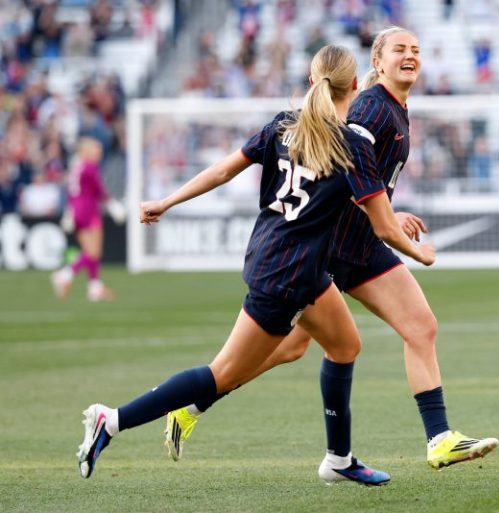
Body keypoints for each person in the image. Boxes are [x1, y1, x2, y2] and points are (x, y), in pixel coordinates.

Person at [76, 44, 435, 486]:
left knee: (344, 346)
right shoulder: (353, 145)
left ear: (311, 81)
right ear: (356, 85)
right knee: (220, 374)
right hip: (287, 278)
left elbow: (225, 170)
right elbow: (382, 226)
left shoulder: (283, 126)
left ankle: (339, 460)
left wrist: (167, 201)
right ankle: (111, 420)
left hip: (285, 262)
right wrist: (421, 254)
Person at [166, 27, 498, 471]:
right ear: (375, 63)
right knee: (289, 348)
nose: (410, 56)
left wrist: (388, 214)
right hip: (334, 249)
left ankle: (438, 439)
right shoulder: (369, 109)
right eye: (399, 49)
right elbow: (336, 167)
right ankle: (193, 404)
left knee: (416, 327)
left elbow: (364, 181)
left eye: (416, 50)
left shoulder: (395, 107)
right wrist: (390, 224)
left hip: (361, 244)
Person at [51, 137, 124, 302]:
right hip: (89, 210)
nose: (99, 154)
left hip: (77, 210)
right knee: (94, 252)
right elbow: (98, 190)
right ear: (87, 151)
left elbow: (71, 192)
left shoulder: (76, 168)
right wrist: (112, 204)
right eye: (96, 150)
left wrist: (69, 211)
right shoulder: (89, 167)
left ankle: (94, 287)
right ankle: (65, 274)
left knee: (88, 251)